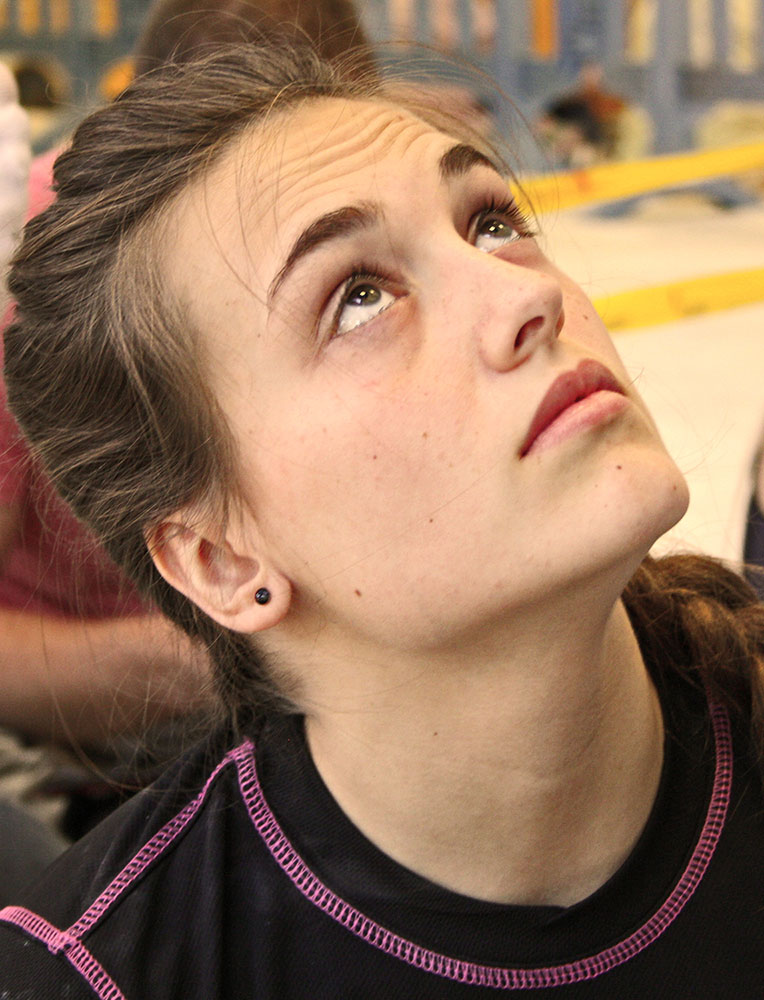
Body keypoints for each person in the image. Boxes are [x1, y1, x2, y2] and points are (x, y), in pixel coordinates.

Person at [0, 43, 762, 997]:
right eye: (358, 300)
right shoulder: (102, 973)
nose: (529, 294)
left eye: (492, 224)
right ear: (219, 560)